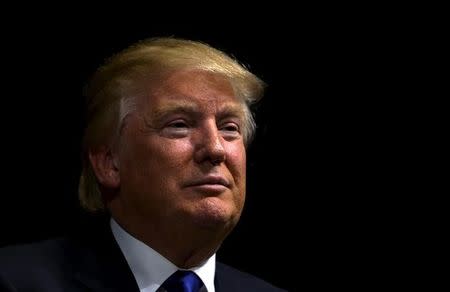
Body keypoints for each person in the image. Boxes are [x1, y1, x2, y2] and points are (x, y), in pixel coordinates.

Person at [0, 37, 286, 291]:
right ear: (109, 163)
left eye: (230, 128)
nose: (215, 148)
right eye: (179, 125)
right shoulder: (15, 279)